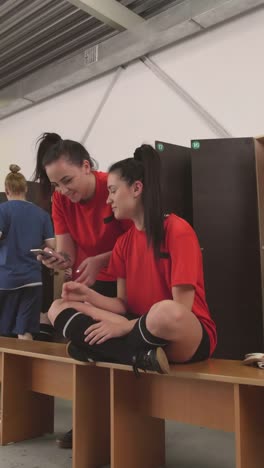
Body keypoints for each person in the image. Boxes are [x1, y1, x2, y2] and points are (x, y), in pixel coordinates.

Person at [47, 144, 217, 380]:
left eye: (113, 191)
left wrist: (125, 327)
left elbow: (181, 310)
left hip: (181, 333)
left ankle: (107, 350)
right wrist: (86, 293)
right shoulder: (123, 243)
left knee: (164, 312)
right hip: (142, 330)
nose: (108, 200)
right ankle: (135, 355)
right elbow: (122, 304)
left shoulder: (177, 230)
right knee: (58, 307)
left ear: (137, 188)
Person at [33, 132, 131, 448]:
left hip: (121, 282)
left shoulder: (112, 187)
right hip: (86, 283)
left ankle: (119, 423)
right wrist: (57, 261)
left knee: (98, 345)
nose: (63, 191)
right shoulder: (61, 200)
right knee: (79, 339)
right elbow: (68, 253)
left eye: (67, 180)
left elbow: (137, 240)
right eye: (56, 185)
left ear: (87, 167)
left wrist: (102, 258)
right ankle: (91, 421)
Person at [0, 165, 55, 340]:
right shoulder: (42, 214)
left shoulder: (2, 210)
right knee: (24, 331)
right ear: (26, 189)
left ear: (6, 190)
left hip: (5, 280)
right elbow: (52, 246)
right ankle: (26, 366)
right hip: (32, 280)